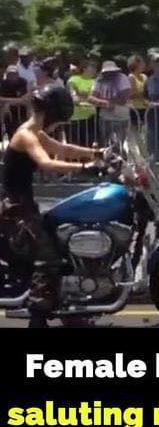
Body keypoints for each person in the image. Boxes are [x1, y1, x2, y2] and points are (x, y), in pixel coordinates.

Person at [0, 86, 102, 327]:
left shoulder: (36, 131)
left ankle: (68, 307)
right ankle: (38, 316)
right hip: (15, 209)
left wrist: (98, 153)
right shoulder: (26, 135)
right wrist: (87, 168)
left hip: (22, 204)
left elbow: (63, 149)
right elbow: (47, 163)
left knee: (59, 241)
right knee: (48, 258)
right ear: (53, 111)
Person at [89, 60, 131, 144]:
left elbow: (125, 97)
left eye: (111, 71)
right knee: (105, 144)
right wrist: (104, 103)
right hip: (105, 118)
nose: (109, 73)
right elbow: (91, 98)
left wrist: (112, 102)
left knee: (119, 144)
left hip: (121, 118)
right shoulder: (99, 80)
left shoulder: (122, 78)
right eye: (107, 71)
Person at [66, 60, 97, 147]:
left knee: (90, 143)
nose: (94, 70)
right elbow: (74, 98)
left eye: (95, 68)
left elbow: (93, 96)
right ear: (84, 68)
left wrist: (82, 96)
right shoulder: (73, 80)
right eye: (92, 68)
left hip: (91, 116)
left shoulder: (95, 82)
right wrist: (83, 99)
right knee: (76, 143)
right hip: (76, 117)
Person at [0, 65, 30, 139]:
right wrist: (16, 101)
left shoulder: (23, 82)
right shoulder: (3, 84)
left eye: (14, 74)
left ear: (17, 74)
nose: (12, 76)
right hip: (8, 111)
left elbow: (26, 98)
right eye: (10, 74)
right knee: (10, 129)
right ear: (7, 75)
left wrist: (9, 102)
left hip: (22, 111)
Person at [127, 55, 148, 126]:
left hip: (145, 108)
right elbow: (131, 94)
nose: (144, 65)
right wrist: (143, 94)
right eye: (142, 63)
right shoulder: (131, 77)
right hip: (135, 109)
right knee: (135, 131)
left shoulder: (144, 77)